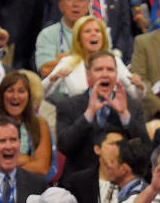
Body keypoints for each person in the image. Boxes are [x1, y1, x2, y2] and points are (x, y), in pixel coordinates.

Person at [56, 51, 151, 179]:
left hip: (121, 181)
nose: (105, 74)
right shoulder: (68, 105)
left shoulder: (132, 106)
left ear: (116, 75)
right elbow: (64, 146)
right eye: (99, 70)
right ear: (88, 75)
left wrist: (124, 115)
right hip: (79, 182)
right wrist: (88, 115)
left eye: (110, 70)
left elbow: (146, 147)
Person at [0, 71, 52, 176]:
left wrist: (2, 163)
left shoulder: (40, 124)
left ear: (29, 96)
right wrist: (25, 159)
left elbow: (42, 168)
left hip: (28, 186)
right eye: (10, 91)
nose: (15, 96)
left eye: (21, 91)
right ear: (2, 95)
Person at [43, 16, 141, 100]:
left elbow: (136, 95)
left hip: (109, 115)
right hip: (77, 115)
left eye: (97, 31)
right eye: (87, 31)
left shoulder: (114, 61)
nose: (93, 34)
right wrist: (54, 78)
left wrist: (138, 85)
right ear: (79, 39)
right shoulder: (69, 62)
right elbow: (41, 92)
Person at [34, 0, 90, 78]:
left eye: (81, 0)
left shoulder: (97, 32)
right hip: (58, 92)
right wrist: (84, 57)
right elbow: (45, 70)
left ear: (87, 6)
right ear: (60, 6)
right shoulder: (48, 34)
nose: (75, 4)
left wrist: (62, 59)